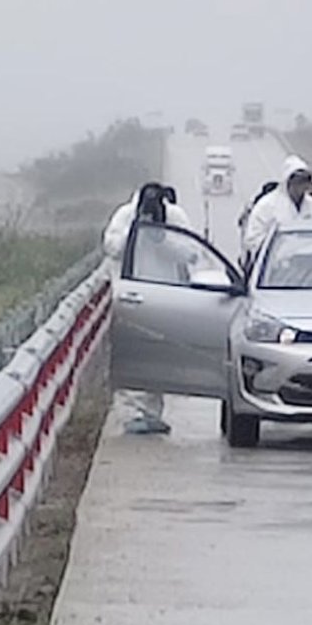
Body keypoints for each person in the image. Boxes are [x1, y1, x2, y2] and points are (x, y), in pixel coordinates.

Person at [101, 182, 193, 435]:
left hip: (165, 296)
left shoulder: (176, 216)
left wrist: (161, 237)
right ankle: (133, 412)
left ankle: (153, 414)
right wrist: (136, 228)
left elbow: (190, 253)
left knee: (157, 357)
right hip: (131, 294)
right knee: (132, 353)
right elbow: (111, 248)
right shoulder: (125, 215)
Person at [241, 162, 312, 269]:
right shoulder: (266, 205)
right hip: (274, 268)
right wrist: (279, 251)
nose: (301, 186)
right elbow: (252, 239)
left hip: (308, 266)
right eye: (297, 182)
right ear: (288, 182)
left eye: (305, 181)